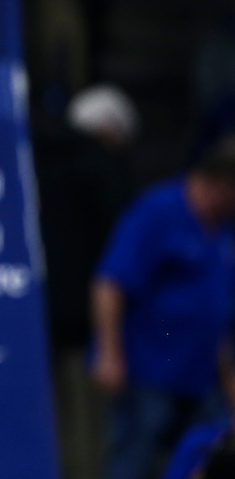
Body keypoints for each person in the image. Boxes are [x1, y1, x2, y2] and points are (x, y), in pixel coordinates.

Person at [92, 138, 235, 479]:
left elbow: (219, 310)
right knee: (131, 463)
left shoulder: (223, 228)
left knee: (207, 458)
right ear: (220, 183)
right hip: (147, 371)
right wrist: (109, 353)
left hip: (201, 376)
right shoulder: (158, 210)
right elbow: (110, 283)